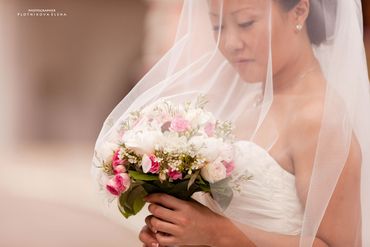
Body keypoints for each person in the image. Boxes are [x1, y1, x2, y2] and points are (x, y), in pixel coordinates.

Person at [92, 0, 370, 246]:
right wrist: (174, 230)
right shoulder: (245, 98)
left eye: (246, 23)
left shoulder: (320, 118)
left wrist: (216, 233)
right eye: (218, 26)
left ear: (299, 11)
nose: (230, 43)